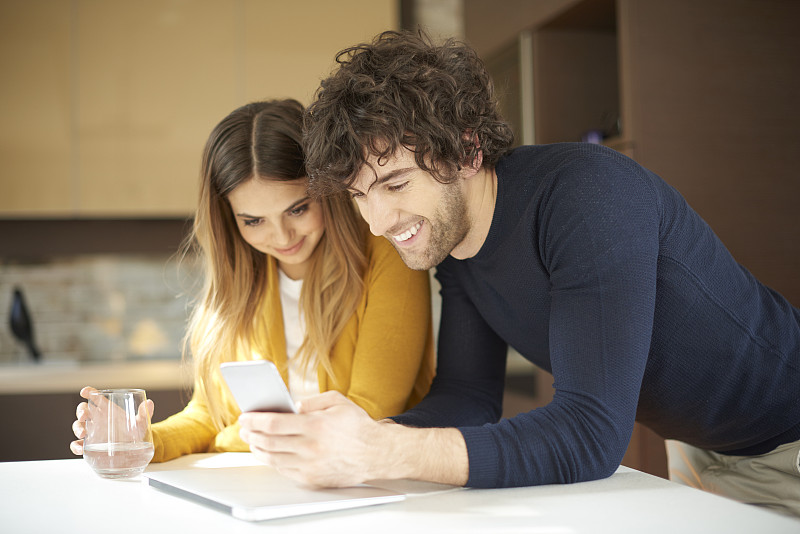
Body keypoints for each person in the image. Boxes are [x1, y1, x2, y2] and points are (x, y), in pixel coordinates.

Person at [236, 31, 800, 518]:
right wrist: (359, 436)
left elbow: (591, 434)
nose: (379, 221)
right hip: (706, 450)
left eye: (396, 183)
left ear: (468, 149)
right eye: (360, 195)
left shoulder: (587, 197)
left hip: (789, 443)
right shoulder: (454, 244)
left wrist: (385, 451)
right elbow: (466, 396)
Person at [70, 99, 435, 463]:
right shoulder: (241, 283)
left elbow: (366, 415)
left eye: (298, 209)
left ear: (329, 192)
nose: (281, 236)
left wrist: (235, 437)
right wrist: (142, 438)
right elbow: (208, 417)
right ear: (229, 220)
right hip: (271, 487)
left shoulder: (386, 253)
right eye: (253, 221)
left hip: (371, 488)